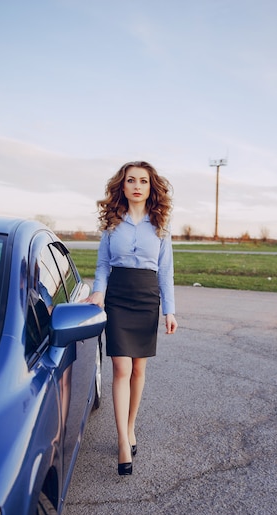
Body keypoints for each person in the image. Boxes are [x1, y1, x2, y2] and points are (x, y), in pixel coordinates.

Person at [88, 161, 178, 476]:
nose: (137, 186)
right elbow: (102, 266)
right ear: (122, 186)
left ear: (150, 187)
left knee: (139, 368)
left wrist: (170, 309)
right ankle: (122, 442)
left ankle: (130, 425)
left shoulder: (161, 225)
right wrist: (98, 292)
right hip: (119, 297)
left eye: (143, 181)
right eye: (131, 180)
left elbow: (166, 270)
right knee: (121, 366)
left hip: (147, 297)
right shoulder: (113, 224)